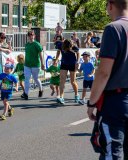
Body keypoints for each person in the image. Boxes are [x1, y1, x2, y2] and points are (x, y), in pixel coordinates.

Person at [87, 0, 128, 159]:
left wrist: (92, 103)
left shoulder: (113, 28)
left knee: (112, 153)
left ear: (110, 5)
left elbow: (104, 72)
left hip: (115, 102)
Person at [55, 39, 80, 104]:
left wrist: (77, 61)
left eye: (70, 47)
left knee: (73, 82)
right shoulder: (60, 45)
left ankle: (76, 95)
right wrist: (56, 59)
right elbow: (58, 51)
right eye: (68, 48)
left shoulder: (74, 46)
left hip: (72, 64)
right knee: (62, 81)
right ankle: (61, 97)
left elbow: (78, 53)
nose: (69, 49)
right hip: (64, 64)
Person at [22, 30, 45, 100]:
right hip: (27, 65)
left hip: (35, 65)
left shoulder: (37, 44)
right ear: (28, 36)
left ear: (34, 36)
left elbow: (41, 55)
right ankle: (26, 93)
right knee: (27, 79)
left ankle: (41, 89)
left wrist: (42, 63)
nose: (31, 36)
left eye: (32, 35)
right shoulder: (27, 44)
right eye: (29, 35)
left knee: (36, 79)